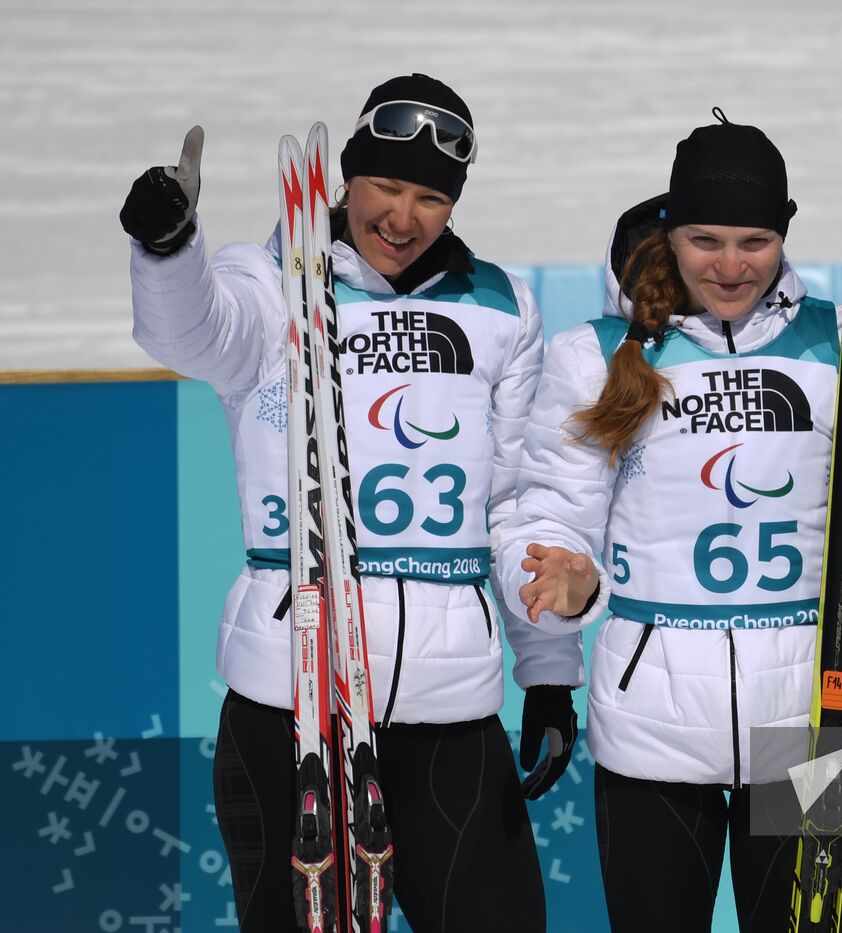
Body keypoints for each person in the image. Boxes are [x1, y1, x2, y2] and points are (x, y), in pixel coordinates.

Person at [120, 73, 582, 932]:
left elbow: (517, 502)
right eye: (388, 187)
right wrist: (169, 249)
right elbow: (190, 334)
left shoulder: (501, 307)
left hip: (449, 707)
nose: (403, 217)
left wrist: (548, 671)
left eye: (431, 197)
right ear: (348, 179)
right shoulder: (267, 282)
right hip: (290, 698)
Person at [495, 112, 842, 933]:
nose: (730, 266)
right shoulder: (599, 352)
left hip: (819, 709)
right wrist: (561, 610)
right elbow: (547, 512)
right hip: (653, 719)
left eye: (754, 241)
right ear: (671, 230)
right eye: (706, 239)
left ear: (784, 235)